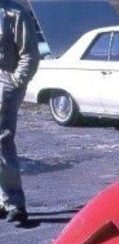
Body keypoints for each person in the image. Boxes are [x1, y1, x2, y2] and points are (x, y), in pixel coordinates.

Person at [0, 0, 40, 224]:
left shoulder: (15, 13)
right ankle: (3, 200)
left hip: (5, 80)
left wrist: (15, 82)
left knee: (2, 141)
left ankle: (15, 204)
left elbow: (30, 54)